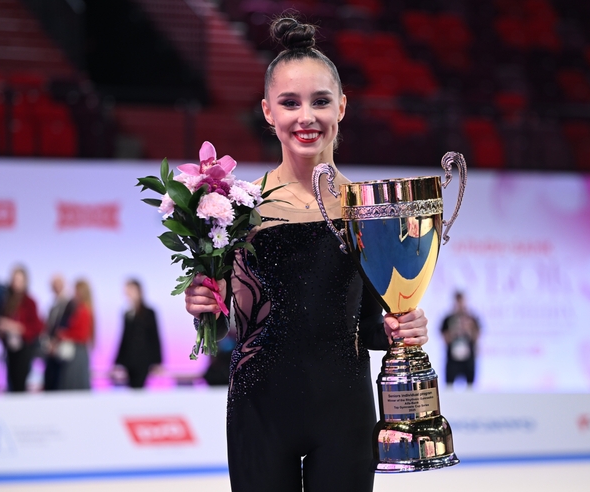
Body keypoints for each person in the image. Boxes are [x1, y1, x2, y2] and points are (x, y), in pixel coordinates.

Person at [183, 16, 429, 492]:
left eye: (320, 101)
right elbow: (223, 323)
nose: (306, 117)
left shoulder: (369, 210)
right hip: (259, 410)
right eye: (289, 103)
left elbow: (370, 326)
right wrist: (203, 305)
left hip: (345, 412)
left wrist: (401, 327)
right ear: (267, 111)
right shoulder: (237, 209)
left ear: (342, 106)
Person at [0, 266, 43, 392]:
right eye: (14, 280)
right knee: (12, 382)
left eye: (19, 280)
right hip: (10, 348)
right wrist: (2, 329)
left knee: (20, 382)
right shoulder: (7, 301)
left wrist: (15, 327)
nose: (16, 283)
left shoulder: (30, 302)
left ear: (24, 281)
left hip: (25, 348)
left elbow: (36, 327)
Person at [114, 279, 162, 389]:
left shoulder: (149, 313)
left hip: (144, 360)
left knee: (139, 389)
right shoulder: (127, 314)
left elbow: (154, 337)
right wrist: (117, 362)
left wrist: (157, 361)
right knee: (132, 389)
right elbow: (124, 339)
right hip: (129, 360)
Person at [54, 279, 93, 390]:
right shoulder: (76, 309)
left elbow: (82, 334)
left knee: (76, 382)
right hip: (73, 352)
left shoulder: (84, 310)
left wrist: (65, 335)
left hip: (78, 352)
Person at [440, 291, 480, 388]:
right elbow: (445, 339)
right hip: (452, 360)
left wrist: (468, 329)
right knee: (449, 387)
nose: (460, 305)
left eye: (462, 301)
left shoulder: (472, 318)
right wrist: (455, 331)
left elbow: (477, 338)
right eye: (458, 302)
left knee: (470, 388)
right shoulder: (448, 319)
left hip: (468, 359)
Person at [42, 274, 74, 391]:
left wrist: (56, 342)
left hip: (62, 348)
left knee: (61, 382)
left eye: (58, 284)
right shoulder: (52, 306)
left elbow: (67, 326)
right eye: (54, 285)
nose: (56, 287)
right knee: (50, 380)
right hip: (51, 349)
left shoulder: (69, 304)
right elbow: (49, 327)